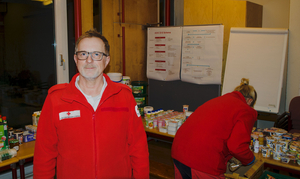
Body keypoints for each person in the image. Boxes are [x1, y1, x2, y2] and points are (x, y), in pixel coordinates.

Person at [33, 29, 149, 179]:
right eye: (83, 54)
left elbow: (138, 148)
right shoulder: (56, 99)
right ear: (76, 59)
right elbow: (44, 155)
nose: (89, 60)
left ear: (106, 61)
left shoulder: (124, 97)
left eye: (96, 54)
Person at [171, 78, 257, 179]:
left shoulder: (219, 100)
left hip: (179, 151)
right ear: (250, 101)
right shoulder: (245, 109)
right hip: (201, 161)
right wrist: (250, 159)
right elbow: (237, 147)